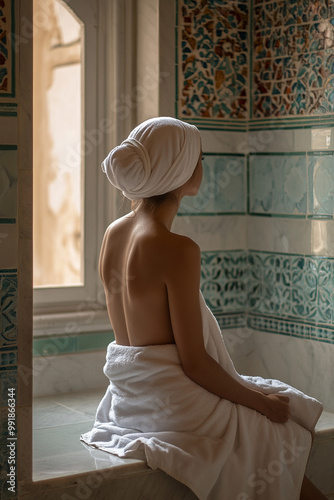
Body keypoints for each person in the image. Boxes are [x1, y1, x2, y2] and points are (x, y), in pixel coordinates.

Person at [81, 117, 325, 500]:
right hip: (174, 406)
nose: (203, 166)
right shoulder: (177, 249)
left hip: (128, 400)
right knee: (284, 418)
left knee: (286, 406)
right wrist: (260, 405)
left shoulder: (115, 233)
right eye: (199, 158)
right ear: (178, 172)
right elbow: (194, 363)